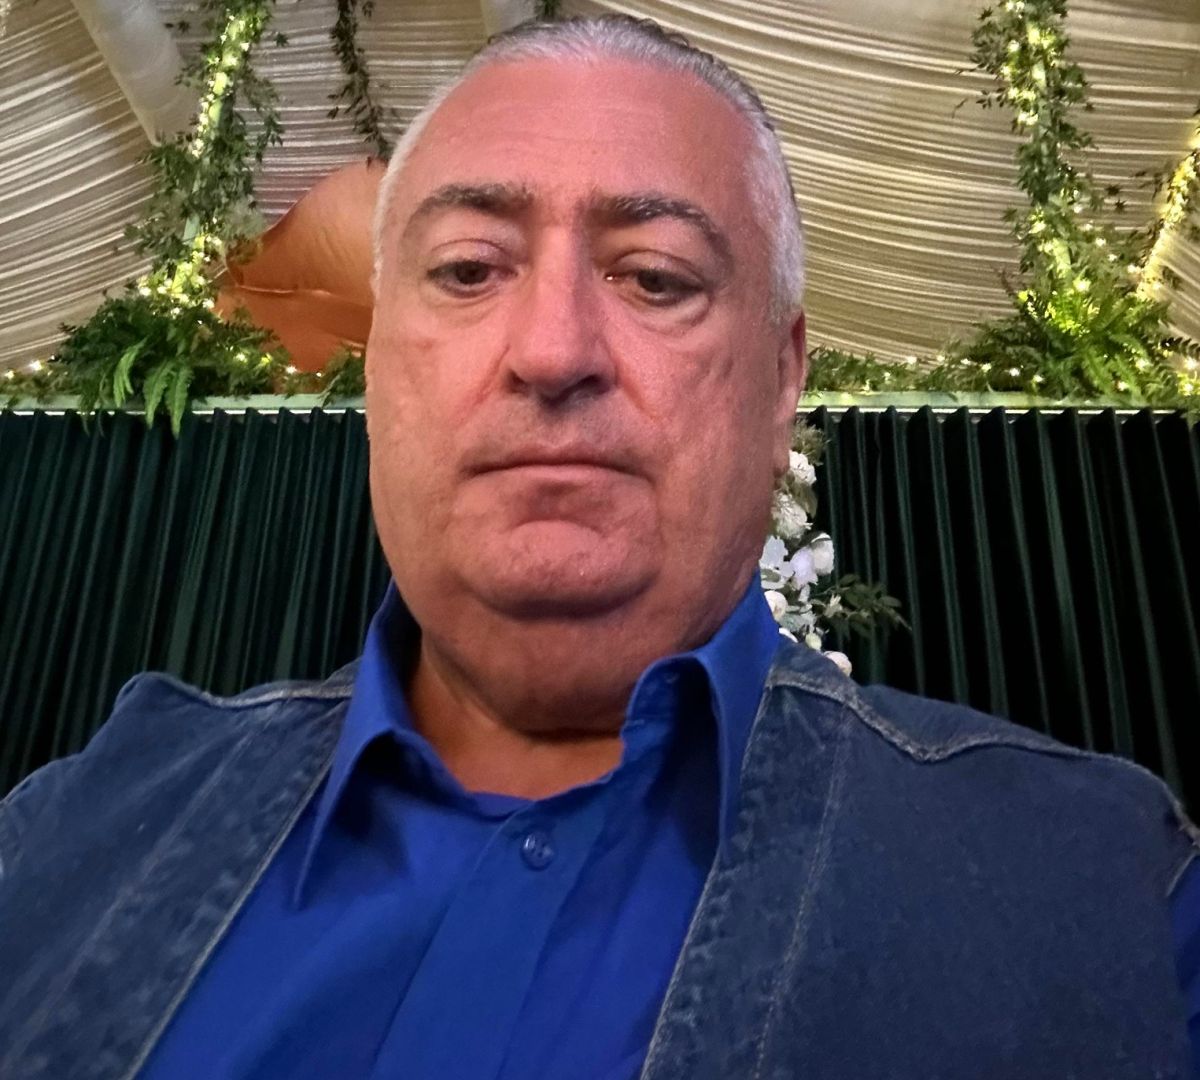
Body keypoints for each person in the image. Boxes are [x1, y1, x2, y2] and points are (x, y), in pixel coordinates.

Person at [1, 14, 1197, 1080]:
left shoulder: (1107, 895)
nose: (553, 349)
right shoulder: (63, 839)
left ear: (783, 377)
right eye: (468, 269)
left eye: (655, 278)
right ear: (376, 366)